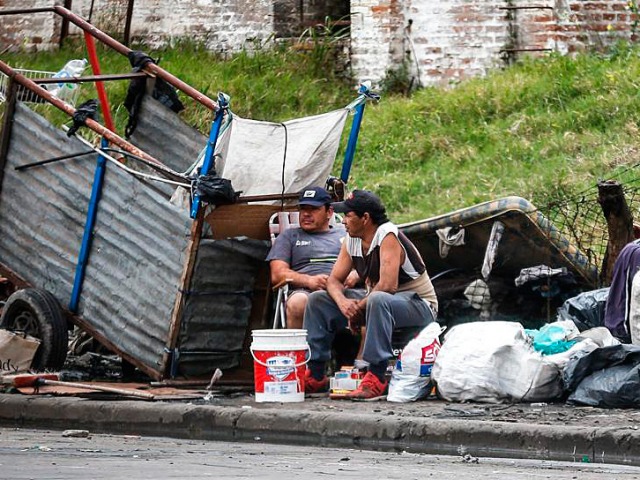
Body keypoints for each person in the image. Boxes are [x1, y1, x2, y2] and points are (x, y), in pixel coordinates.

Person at [303, 189, 438, 399]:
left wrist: (358, 306)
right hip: (378, 304)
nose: (344, 221)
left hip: (419, 305)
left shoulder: (388, 236)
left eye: (348, 216)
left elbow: (387, 286)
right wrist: (344, 304)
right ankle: (316, 373)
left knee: (378, 298)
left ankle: (376, 376)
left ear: (365, 218)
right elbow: (333, 281)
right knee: (318, 300)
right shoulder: (352, 239)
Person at [266, 186, 349, 329]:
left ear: (329, 212)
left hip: (344, 288)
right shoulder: (289, 236)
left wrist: (353, 275)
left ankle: (366, 351)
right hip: (306, 291)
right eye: (303, 209)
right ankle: (299, 350)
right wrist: (309, 280)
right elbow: (277, 274)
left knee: (371, 300)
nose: (306, 214)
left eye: (313, 209)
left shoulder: (345, 235)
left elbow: (366, 265)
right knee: (298, 302)